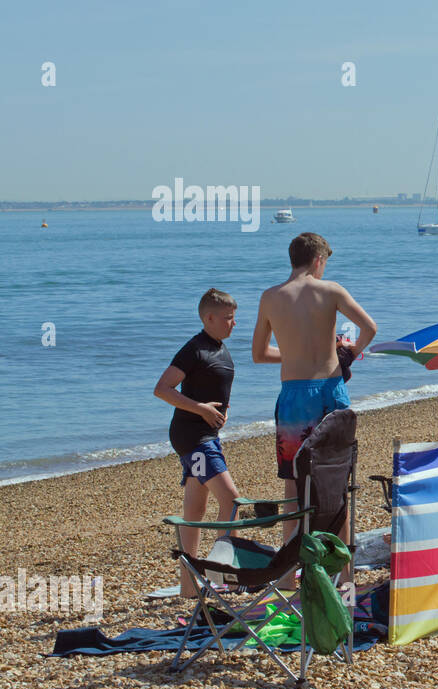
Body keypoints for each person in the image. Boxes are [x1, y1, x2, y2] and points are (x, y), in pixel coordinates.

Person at [253, 233, 377, 542]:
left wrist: (295, 353)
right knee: (337, 483)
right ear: (318, 261)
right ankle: (343, 573)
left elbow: (259, 354)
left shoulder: (270, 297)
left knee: (294, 485)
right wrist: (348, 352)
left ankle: (287, 574)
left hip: (294, 396)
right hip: (330, 390)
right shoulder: (330, 291)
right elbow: (369, 328)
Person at [153, 289, 242, 597]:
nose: (234, 324)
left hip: (205, 436)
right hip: (193, 437)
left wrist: (222, 412)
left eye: (235, 317)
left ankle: (188, 586)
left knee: (194, 509)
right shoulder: (194, 349)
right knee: (231, 501)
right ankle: (220, 573)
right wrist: (202, 409)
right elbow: (162, 389)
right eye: (228, 318)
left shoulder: (220, 348)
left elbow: (217, 388)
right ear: (209, 318)